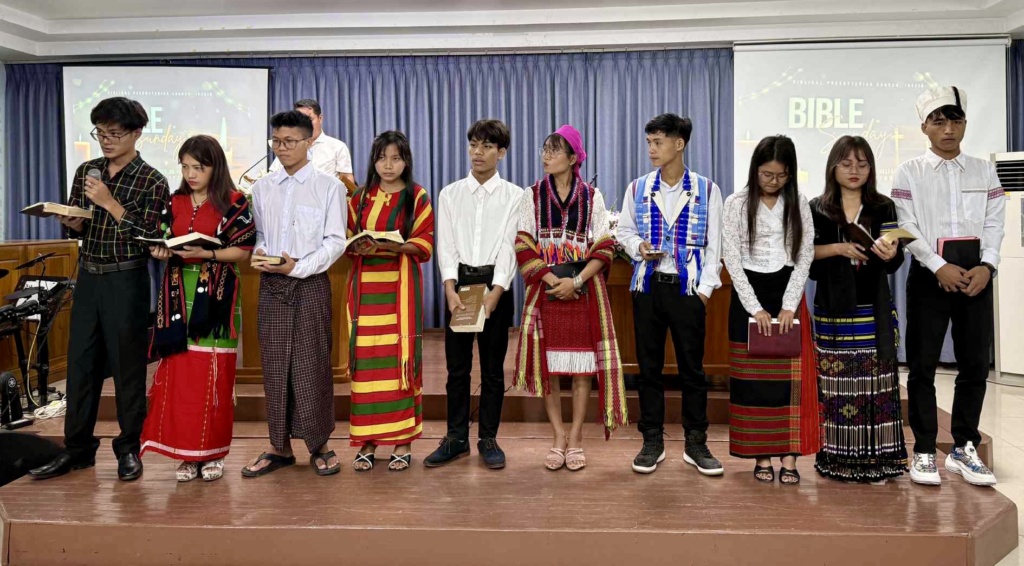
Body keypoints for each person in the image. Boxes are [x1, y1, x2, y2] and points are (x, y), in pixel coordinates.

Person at [29, 97, 170, 482]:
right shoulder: (86, 170)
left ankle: (128, 449)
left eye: (114, 134)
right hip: (89, 276)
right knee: (81, 366)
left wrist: (110, 203)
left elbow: (151, 236)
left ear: (137, 134)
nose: (106, 140)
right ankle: (76, 450)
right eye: (100, 133)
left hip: (127, 279)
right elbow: (76, 221)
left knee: (127, 368)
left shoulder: (152, 179)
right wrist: (71, 221)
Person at [893, 86, 1005, 487]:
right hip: (929, 277)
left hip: (976, 278)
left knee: (974, 365)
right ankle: (924, 450)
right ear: (924, 126)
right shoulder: (909, 172)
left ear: (965, 124)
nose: (948, 129)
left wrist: (988, 266)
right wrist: (938, 266)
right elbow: (904, 226)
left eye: (955, 120)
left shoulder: (984, 170)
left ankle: (963, 447)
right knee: (922, 366)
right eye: (938, 121)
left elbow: (994, 221)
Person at [140, 135, 257, 482]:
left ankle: (213, 453)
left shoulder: (234, 202)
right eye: (185, 167)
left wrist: (206, 253)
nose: (190, 174)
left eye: (198, 167)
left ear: (214, 167)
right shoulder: (174, 201)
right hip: (177, 296)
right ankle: (186, 454)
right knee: (181, 377)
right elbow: (164, 241)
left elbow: (243, 251)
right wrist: (160, 251)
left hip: (217, 300)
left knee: (213, 376)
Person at [513, 124, 628, 471]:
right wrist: (554, 281)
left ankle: (576, 437)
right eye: (545, 150)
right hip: (546, 290)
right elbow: (523, 243)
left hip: (584, 291)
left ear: (573, 158)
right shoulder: (532, 195)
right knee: (549, 369)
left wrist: (575, 281)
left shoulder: (592, 197)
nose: (546, 156)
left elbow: (604, 245)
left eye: (554, 150)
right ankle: (558, 436)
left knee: (581, 370)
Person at [617, 113, 724, 476]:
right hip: (647, 287)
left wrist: (704, 293)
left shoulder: (707, 189)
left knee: (692, 370)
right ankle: (652, 440)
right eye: (649, 142)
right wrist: (638, 247)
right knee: (648, 369)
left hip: (687, 289)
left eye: (658, 142)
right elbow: (624, 230)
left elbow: (715, 246)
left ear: (679, 144)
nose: (651, 149)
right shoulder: (638, 187)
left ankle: (696, 442)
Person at [241, 110, 347, 478]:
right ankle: (279, 446)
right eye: (276, 141)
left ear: (308, 143)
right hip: (272, 284)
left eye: (289, 141)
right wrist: (261, 253)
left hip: (310, 282)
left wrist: (297, 267)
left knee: (311, 365)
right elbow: (261, 235)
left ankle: (320, 444)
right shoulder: (262, 187)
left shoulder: (329, 187)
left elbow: (336, 242)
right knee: (273, 367)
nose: (282, 148)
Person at [809, 135, 908, 483]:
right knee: (835, 385)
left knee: (876, 383)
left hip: (873, 306)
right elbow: (805, 256)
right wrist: (838, 248)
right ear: (833, 167)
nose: (855, 170)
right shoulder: (817, 207)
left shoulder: (884, 206)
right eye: (847, 163)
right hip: (832, 308)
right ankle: (836, 458)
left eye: (862, 164)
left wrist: (890, 252)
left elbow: (896, 258)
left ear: (871, 169)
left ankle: (879, 459)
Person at [426, 120, 522, 470]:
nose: (477, 153)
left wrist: (497, 292)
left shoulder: (515, 195)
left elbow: (510, 247)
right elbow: (446, 245)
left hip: (496, 285)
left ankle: (488, 438)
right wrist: (449, 289)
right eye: (473, 145)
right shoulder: (450, 193)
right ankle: (455, 438)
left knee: (493, 370)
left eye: (486, 146)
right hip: (460, 286)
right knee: (457, 369)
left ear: (502, 152)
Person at [722, 135, 817, 485]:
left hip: (786, 290)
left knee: (787, 383)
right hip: (748, 294)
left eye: (780, 175)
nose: (773, 181)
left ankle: (789, 457)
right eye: (766, 175)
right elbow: (732, 258)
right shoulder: (736, 203)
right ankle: (761, 455)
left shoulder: (799, 203)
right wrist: (755, 308)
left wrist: (789, 304)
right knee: (753, 383)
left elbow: (805, 254)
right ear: (755, 170)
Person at [347, 130, 435, 472]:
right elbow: (348, 238)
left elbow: (425, 243)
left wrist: (394, 246)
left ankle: (402, 440)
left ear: (406, 161)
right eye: (382, 158)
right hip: (365, 292)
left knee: (399, 363)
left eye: (395, 158)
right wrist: (359, 245)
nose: (388, 165)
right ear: (373, 161)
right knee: (367, 365)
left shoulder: (417, 196)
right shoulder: (360, 198)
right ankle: (368, 440)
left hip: (400, 290)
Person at [269, 99, 355, 185]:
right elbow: (273, 175)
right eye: (299, 121)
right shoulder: (287, 147)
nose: (304, 124)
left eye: (309, 119)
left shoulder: (337, 147)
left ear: (320, 118)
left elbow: (347, 179)